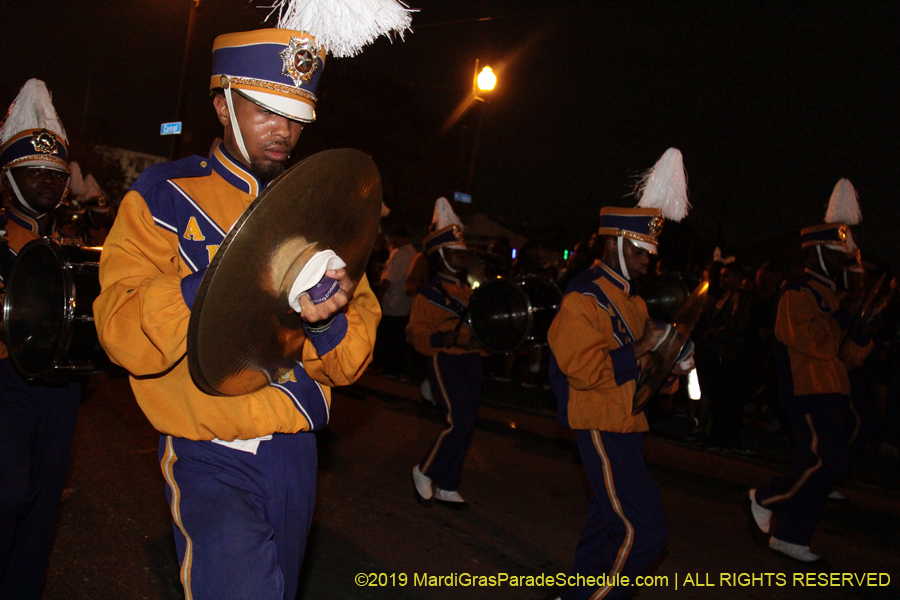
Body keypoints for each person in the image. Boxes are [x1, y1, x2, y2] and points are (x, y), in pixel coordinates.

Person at [92, 4, 410, 597]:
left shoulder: (322, 207)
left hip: (296, 452)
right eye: (266, 109)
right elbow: (118, 328)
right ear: (222, 105)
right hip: (208, 449)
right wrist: (214, 280)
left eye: (295, 117)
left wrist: (327, 320)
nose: (284, 131)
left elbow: (349, 363)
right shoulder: (164, 195)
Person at [547, 148, 692, 600]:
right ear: (616, 244)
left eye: (652, 251)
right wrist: (646, 344)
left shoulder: (634, 302)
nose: (651, 259)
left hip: (627, 421)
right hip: (599, 423)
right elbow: (584, 372)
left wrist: (671, 362)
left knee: (603, 526)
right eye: (642, 249)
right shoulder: (582, 299)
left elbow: (643, 376)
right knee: (643, 531)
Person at [749, 178, 873, 563]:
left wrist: (865, 334)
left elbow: (843, 358)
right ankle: (765, 497)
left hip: (831, 390)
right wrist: (844, 318)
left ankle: (792, 536)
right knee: (825, 463)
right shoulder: (796, 292)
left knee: (825, 467)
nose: (843, 263)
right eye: (836, 256)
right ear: (818, 253)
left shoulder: (828, 295)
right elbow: (817, 345)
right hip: (807, 392)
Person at [0, 79, 82, 600]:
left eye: (55, 174)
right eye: (34, 172)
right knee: (8, 496)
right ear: (9, 178)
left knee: (43, 503)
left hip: (60, 388)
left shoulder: (73, 252)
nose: (48, 182)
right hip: (4, 379)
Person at [408, 197, 487, 510]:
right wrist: (443, 337)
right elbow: (416, 335)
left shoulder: (468, 293)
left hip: (472, 360)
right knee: (460, 421)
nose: (462, 257)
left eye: (463, 252)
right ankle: (425, 469)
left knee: (468, 424)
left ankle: (448, 485)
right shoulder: (428, 295)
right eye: (455, 252)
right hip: (446, 360)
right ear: (441, 255)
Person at [375, 225, 416, 378]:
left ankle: (388, 368)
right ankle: (398, 368)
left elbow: (388, 280)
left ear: (399, 238)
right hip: (405, 303)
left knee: (388, 336)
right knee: (399, 338)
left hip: (392, 303)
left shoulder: (398, 253)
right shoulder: (413, 253)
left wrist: (379, 298)